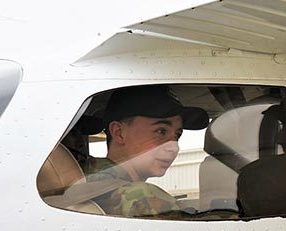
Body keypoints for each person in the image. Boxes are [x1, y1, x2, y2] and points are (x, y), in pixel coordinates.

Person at [84, 84, 207, 218]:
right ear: (119, 133)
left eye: (177, 135)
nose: (174, 147)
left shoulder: (84, 181)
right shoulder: (141, 197)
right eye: (161, 131)